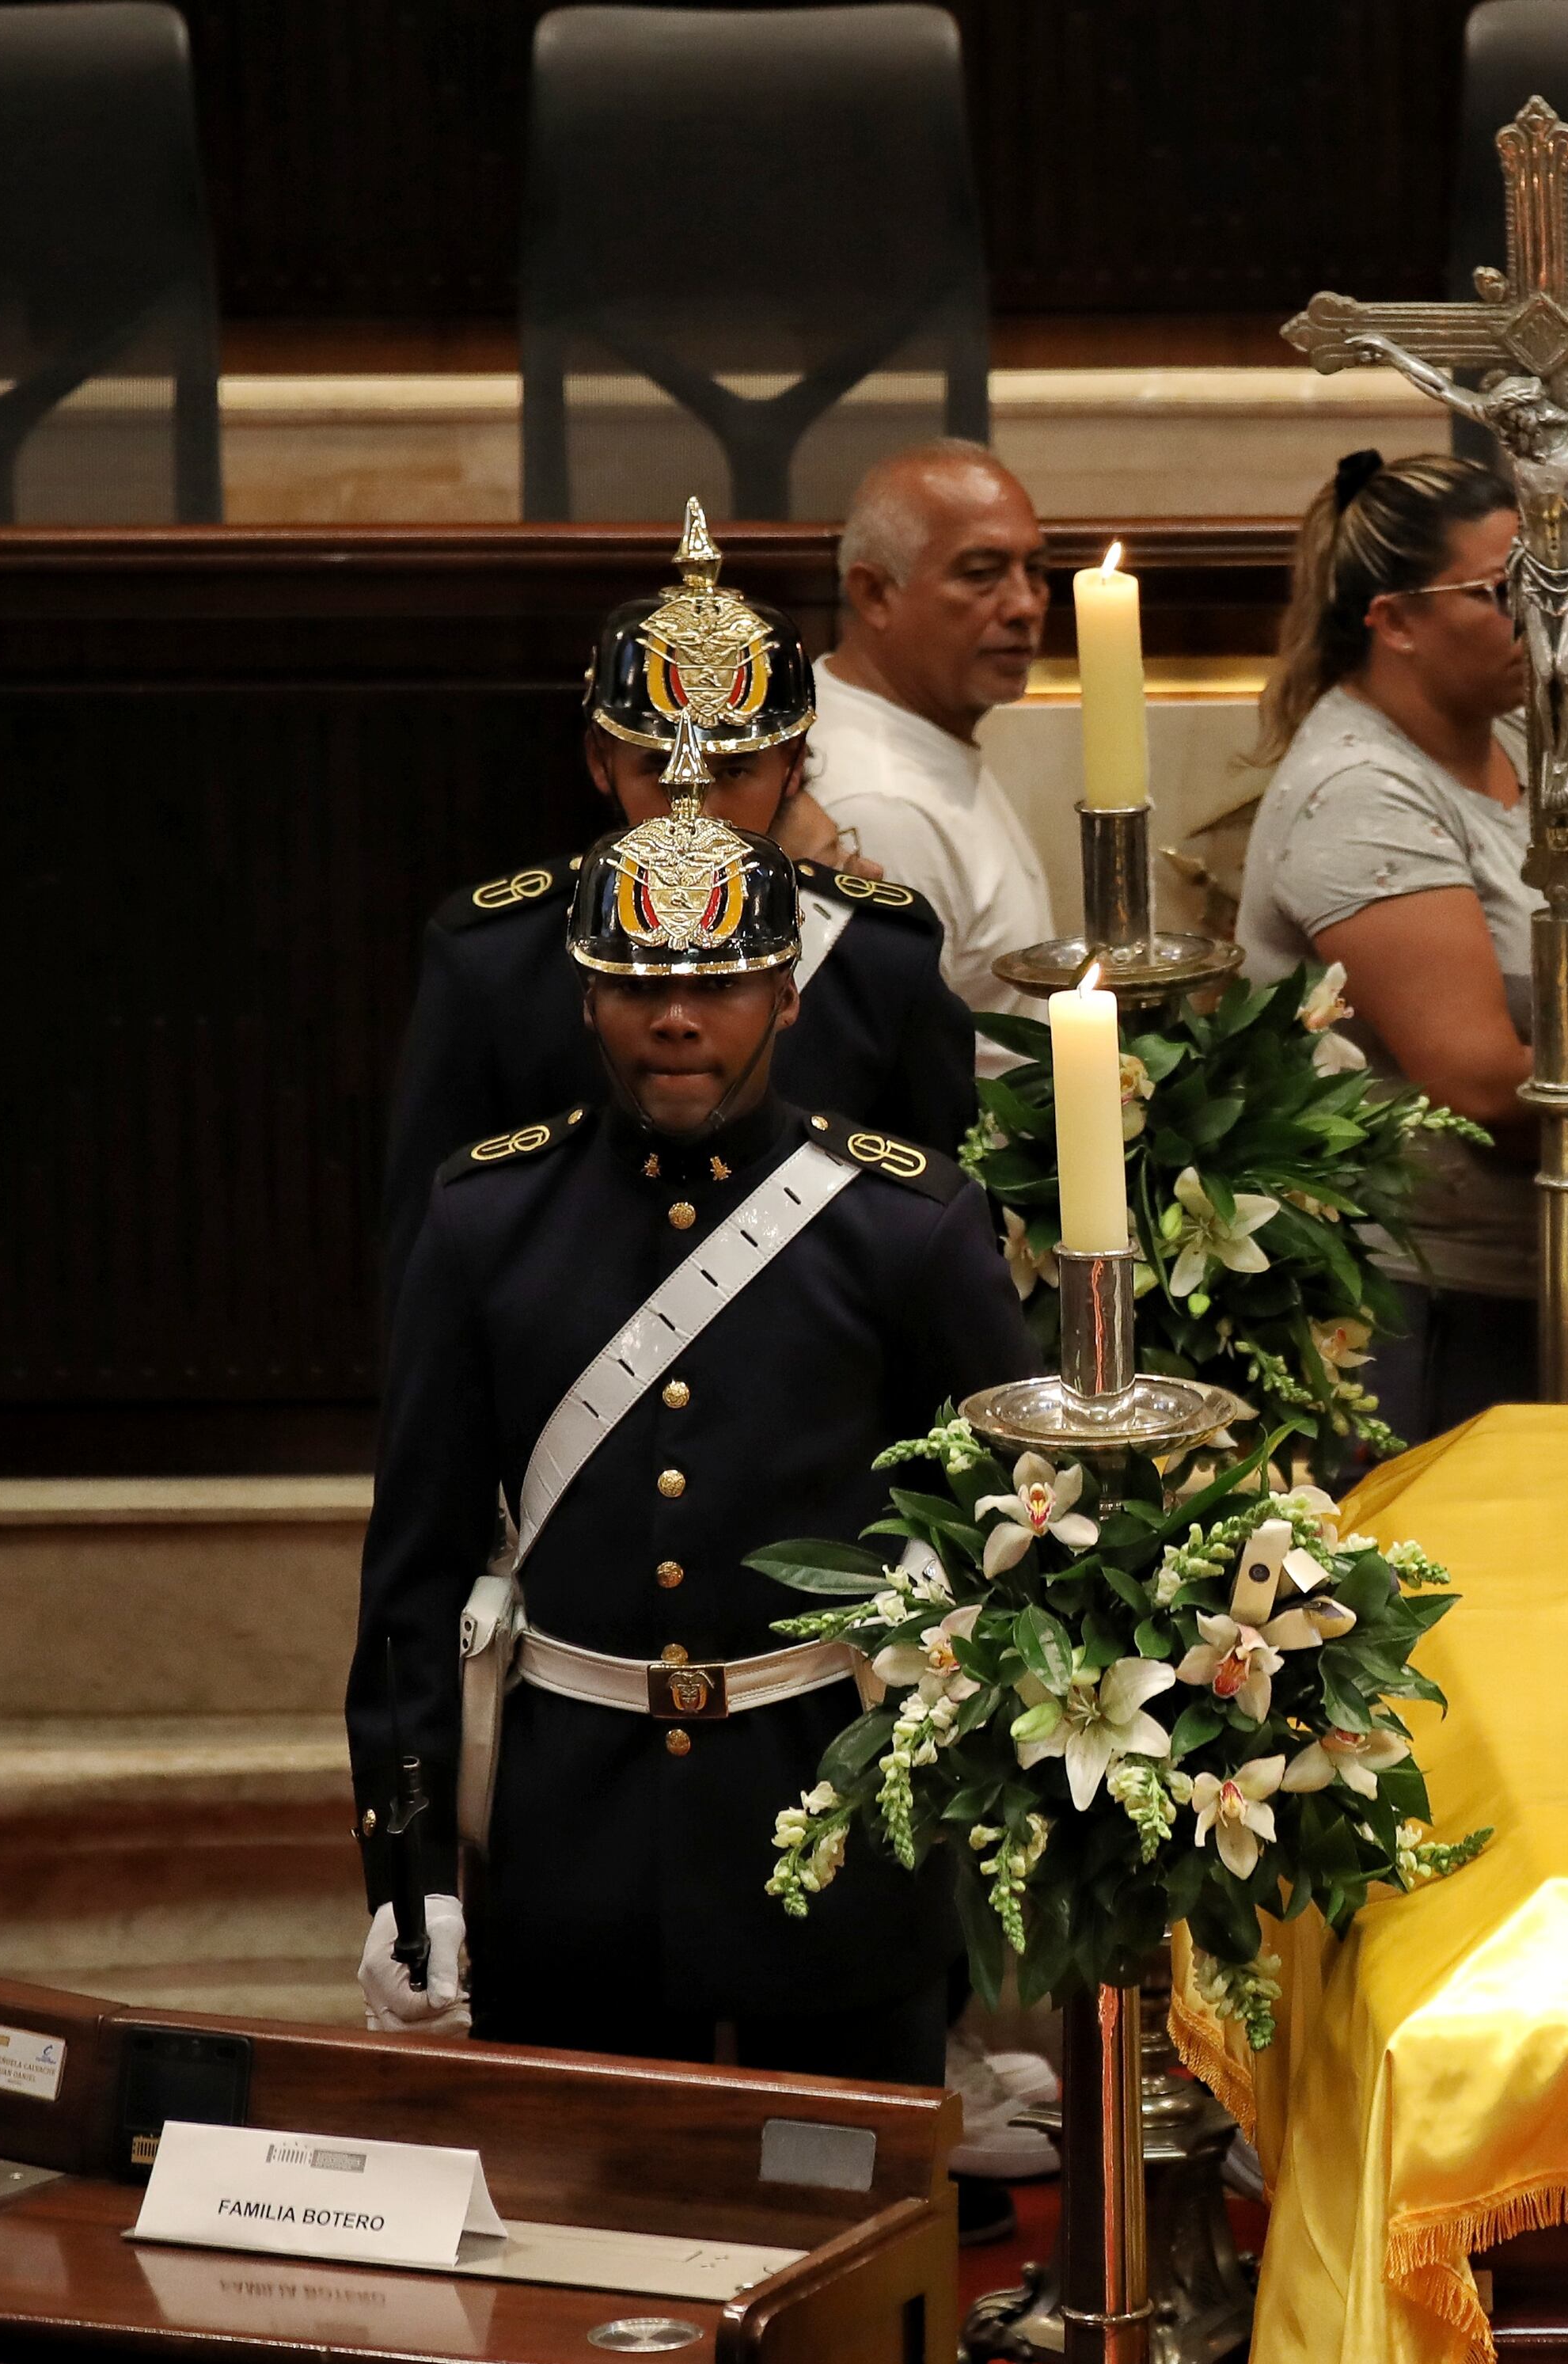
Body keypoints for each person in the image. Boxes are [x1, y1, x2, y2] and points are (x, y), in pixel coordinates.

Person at [345, 770, 1039, 2080]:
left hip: (833, 1817)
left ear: (787, 993)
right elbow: (418, 1568)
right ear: (585, 994)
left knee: (858, 2233)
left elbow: (1010, 1535)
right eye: (638, 985)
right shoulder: (487, 1219)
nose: (677, 1020)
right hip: (573, 1841)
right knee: (584, 2234)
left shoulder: (906, 1225)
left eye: (717, 985)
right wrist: (412, 1864)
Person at [382, 500, 973, 1298]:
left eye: (735, 772)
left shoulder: (879, 957)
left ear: (793, 764)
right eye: (655, 769)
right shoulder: (492, 957)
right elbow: (432, 1261)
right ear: (599, 762)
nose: (693, 802)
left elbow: (939, 1244)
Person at [1235, 448, 1568, 1436]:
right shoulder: (1359, 792)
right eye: (1502, 591)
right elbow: (1482, 1083)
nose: (1546, 616)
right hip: (1423, 1298)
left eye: (1552, 583)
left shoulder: (1535, 744)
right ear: (1393, 620)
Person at [804, 439, 1059, 1027]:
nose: (1025, 605)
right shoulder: (881, 809)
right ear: (875, 594)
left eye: (1037, 571)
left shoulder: (918, 730)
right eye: (981, 574)